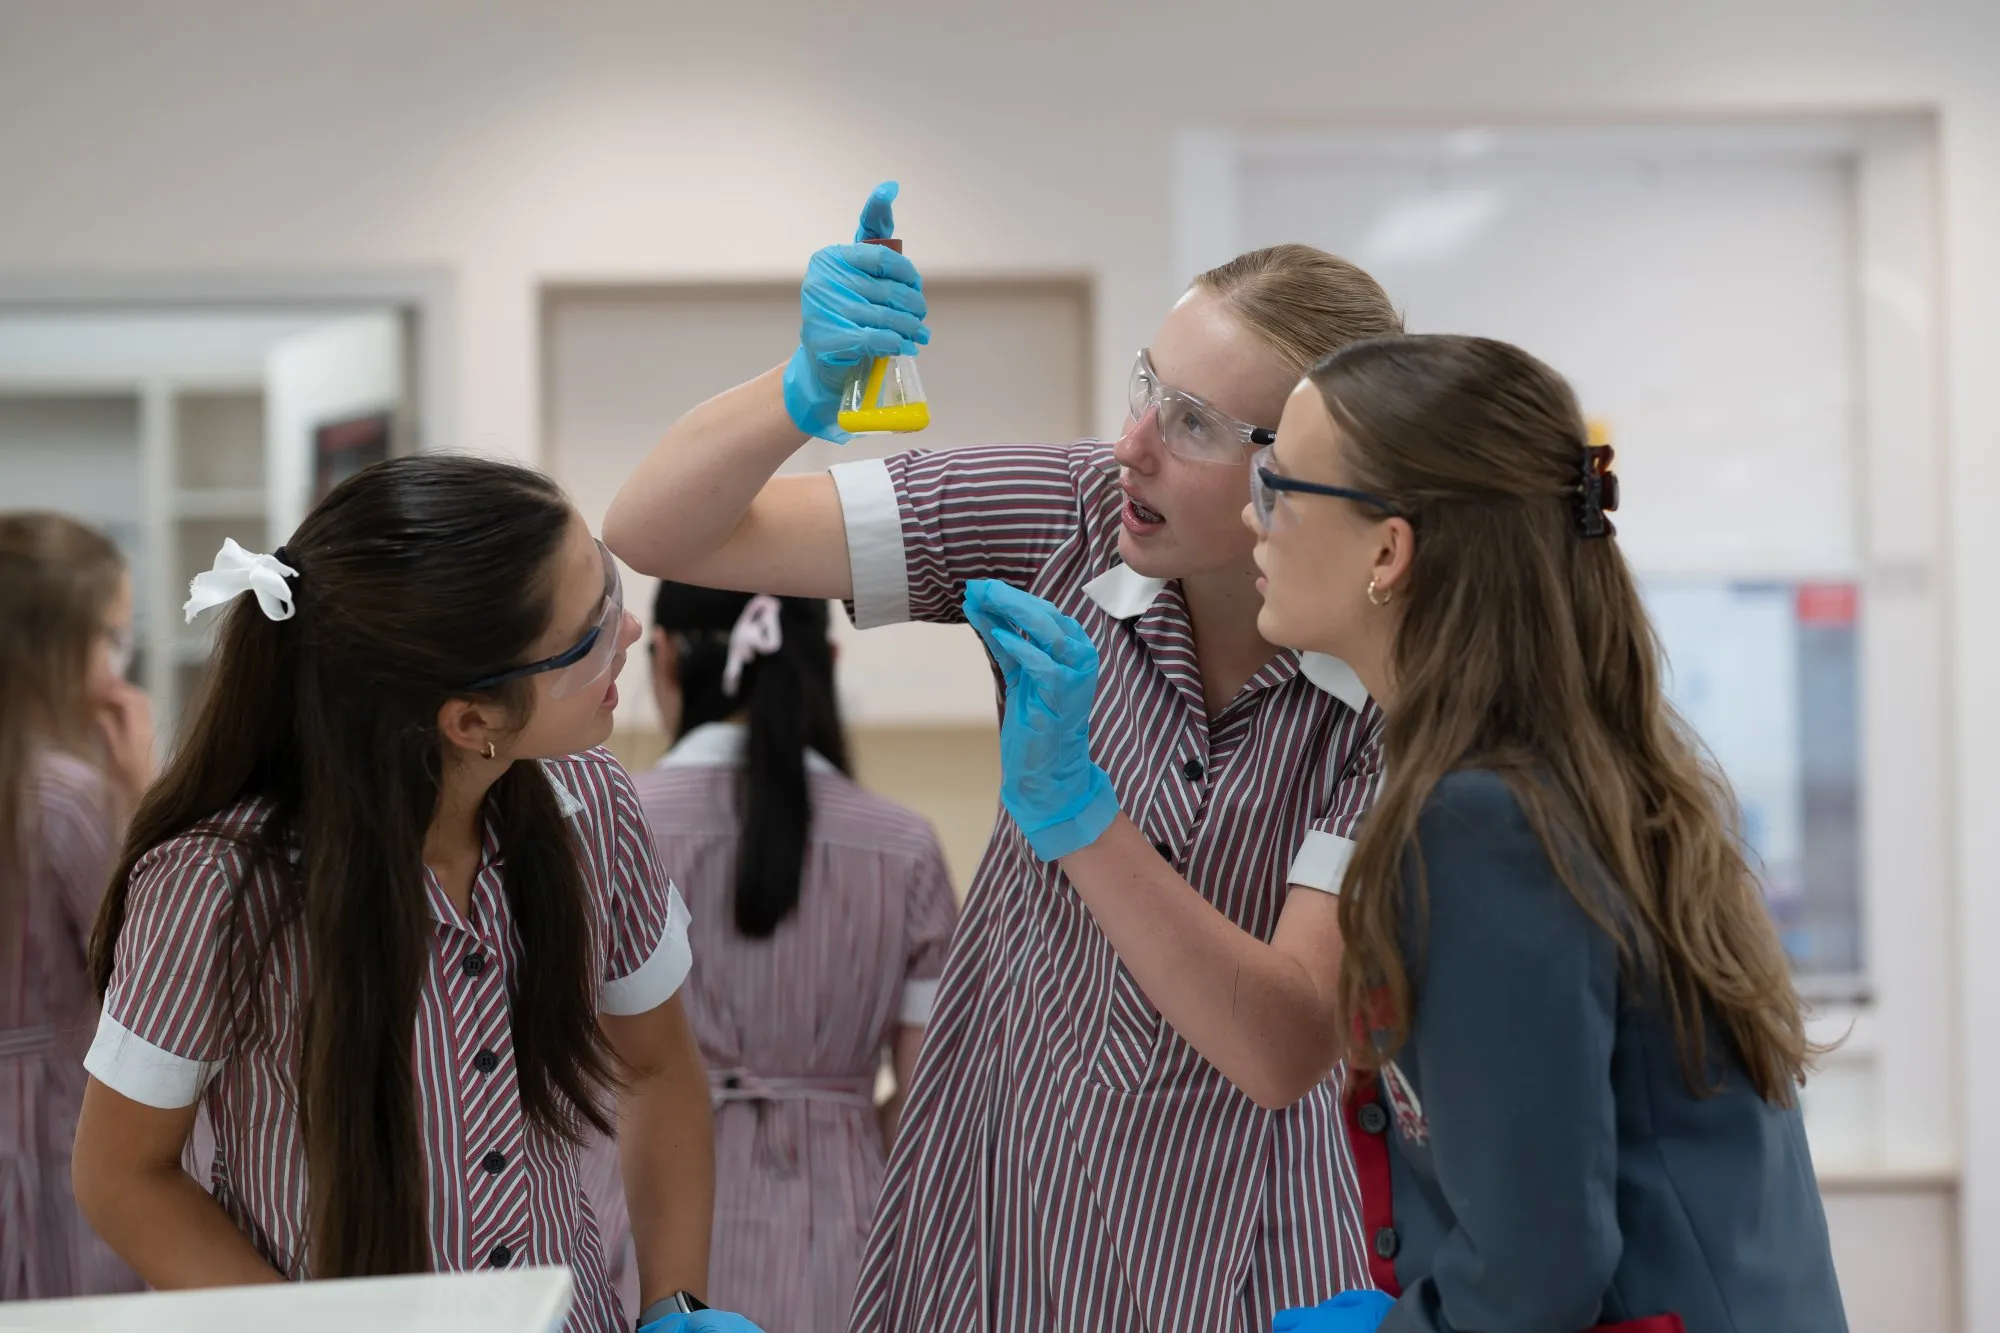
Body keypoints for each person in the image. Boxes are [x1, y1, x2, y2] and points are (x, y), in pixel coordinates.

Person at [604, 181, 1404, 1331]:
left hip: (1248, 1241)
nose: (1131, 443)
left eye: (1190, 424)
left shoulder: (1381, 682)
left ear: (1310, 469)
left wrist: (1076, 810)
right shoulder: (1067, 511)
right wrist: (799, 391)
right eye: (1147, 386)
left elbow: (1280, 1047)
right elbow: (655, 529)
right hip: (992, 1214)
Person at [963, 334, 1849, 1333]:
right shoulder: (1579, 775)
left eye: (1279, 488)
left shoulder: (1481, 823)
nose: (1255, 521)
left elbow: (1536, 1268)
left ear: (1386, 552)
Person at [70, 456, 765, 1333]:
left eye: (608, 583)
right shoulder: (218, 885)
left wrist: (674, 1302)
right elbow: (121, 1175)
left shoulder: (589, 804)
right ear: (471, 721)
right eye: (588, 630)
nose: (628, 629)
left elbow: (658, 1065)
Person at [581, 582, 959, 1332]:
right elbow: (928, 1101)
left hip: (632, 1235)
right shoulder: (904, 846)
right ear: (825, 660)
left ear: (664, 659)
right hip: (843, 1244)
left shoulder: (603, 826)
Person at [0, 513, 150, 1300]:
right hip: (48, 1127)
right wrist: (139, 799)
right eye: (112, 638)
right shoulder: (64, 796)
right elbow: (136, 964)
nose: (121, 665)